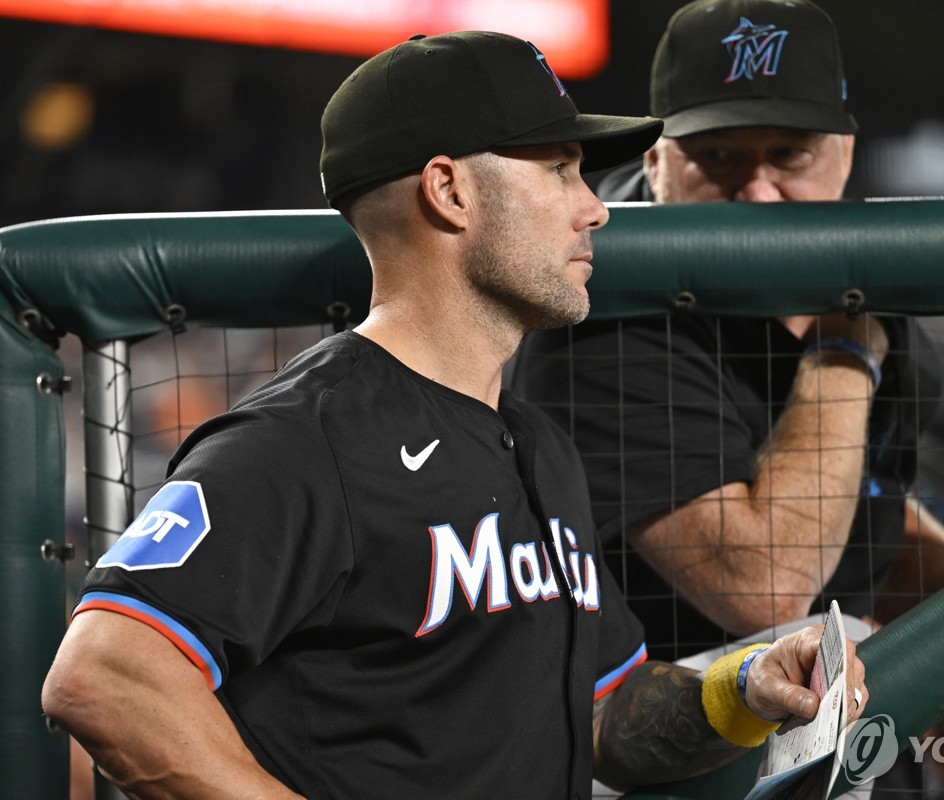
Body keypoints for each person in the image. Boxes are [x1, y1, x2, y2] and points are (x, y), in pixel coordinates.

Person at [40, 31, 867, 798]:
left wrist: (749, 685)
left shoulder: (539, 444)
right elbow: (105, 675)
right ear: (450, 190)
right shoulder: (306, 436)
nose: (594, 207)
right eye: (560, 169)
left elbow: (609, 716)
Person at [511, 1, 944, 796]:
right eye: (719, 155)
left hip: (831, 739)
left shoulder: (854, 269)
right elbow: (762, 585)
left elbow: (874, 511)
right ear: (657, 162)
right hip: (652, 760)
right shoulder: (602, 307)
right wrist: (843, 350)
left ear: (842, 155)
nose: (759, 194)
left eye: (789, 155)